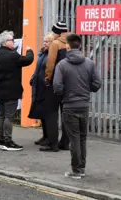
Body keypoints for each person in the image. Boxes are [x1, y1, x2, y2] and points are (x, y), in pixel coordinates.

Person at [53, 33, 102, 179]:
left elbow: (57, 86)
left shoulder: (62, 65)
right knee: (82, 138)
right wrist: (87, 89)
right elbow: (97, 83)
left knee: (74, 139)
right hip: (84, 105)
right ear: (80, 45)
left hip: (69, 106)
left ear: (67, 46)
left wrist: (65, 94)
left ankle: (76, 170)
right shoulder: (89, 63)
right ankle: (82, 168)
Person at [0, 31, 34, 151]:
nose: (14, 42)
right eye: (12, 40)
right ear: (6, 42)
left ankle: (1, 140)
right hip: (11, 90)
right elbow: (28, 60)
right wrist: (29, 50)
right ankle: (8, 141)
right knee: (9, 117)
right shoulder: (12, 55)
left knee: (2, 116)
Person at [41, 21, 70, 152]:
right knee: (66, 114)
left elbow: (50, 64)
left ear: (58, 33)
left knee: (51, 113)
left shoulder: (55, 44)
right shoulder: (72, 43)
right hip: (69, 85)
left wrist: (47, 78)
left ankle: (52, 143)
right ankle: (65, 142)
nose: (52, 34)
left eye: (53, 32)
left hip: (55, 83)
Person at [28, 33, 55, 146]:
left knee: (47, 113)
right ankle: (45, 136)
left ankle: (49, 137)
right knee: (41, 112)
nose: (45, 43)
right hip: (38, 86)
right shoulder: (42, 53)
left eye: (47, 42)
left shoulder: (52, 55)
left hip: (46, 87)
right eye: (44, 41)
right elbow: (37, 69)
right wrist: (33, 78)